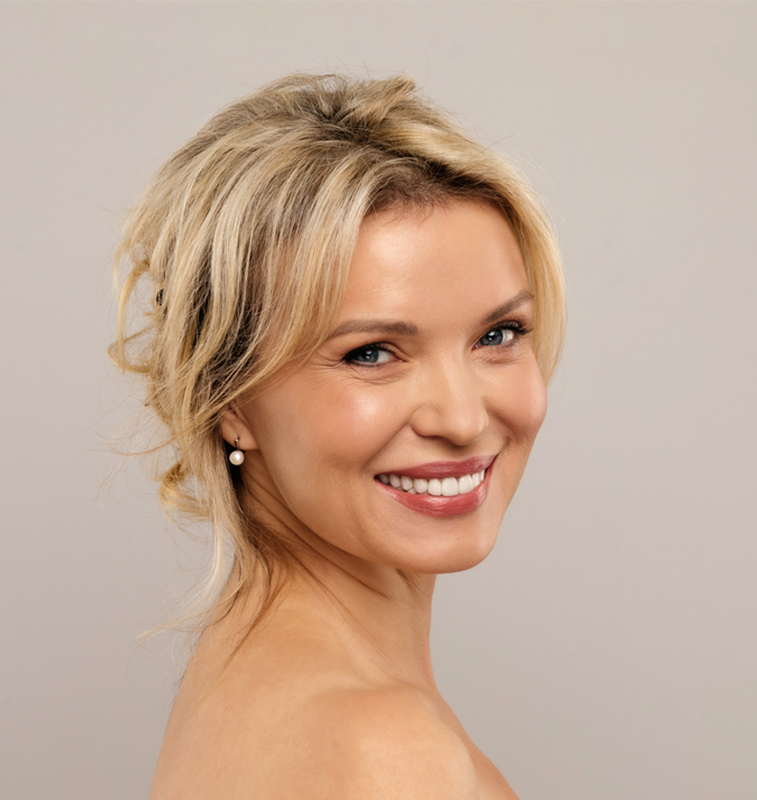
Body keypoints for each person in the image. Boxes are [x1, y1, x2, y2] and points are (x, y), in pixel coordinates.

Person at [111, 73, 565, 799]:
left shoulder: (247, 671)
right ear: (227, 397)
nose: (463, 418)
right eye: (372, 353)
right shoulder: (384, 751)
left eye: (498, 334)